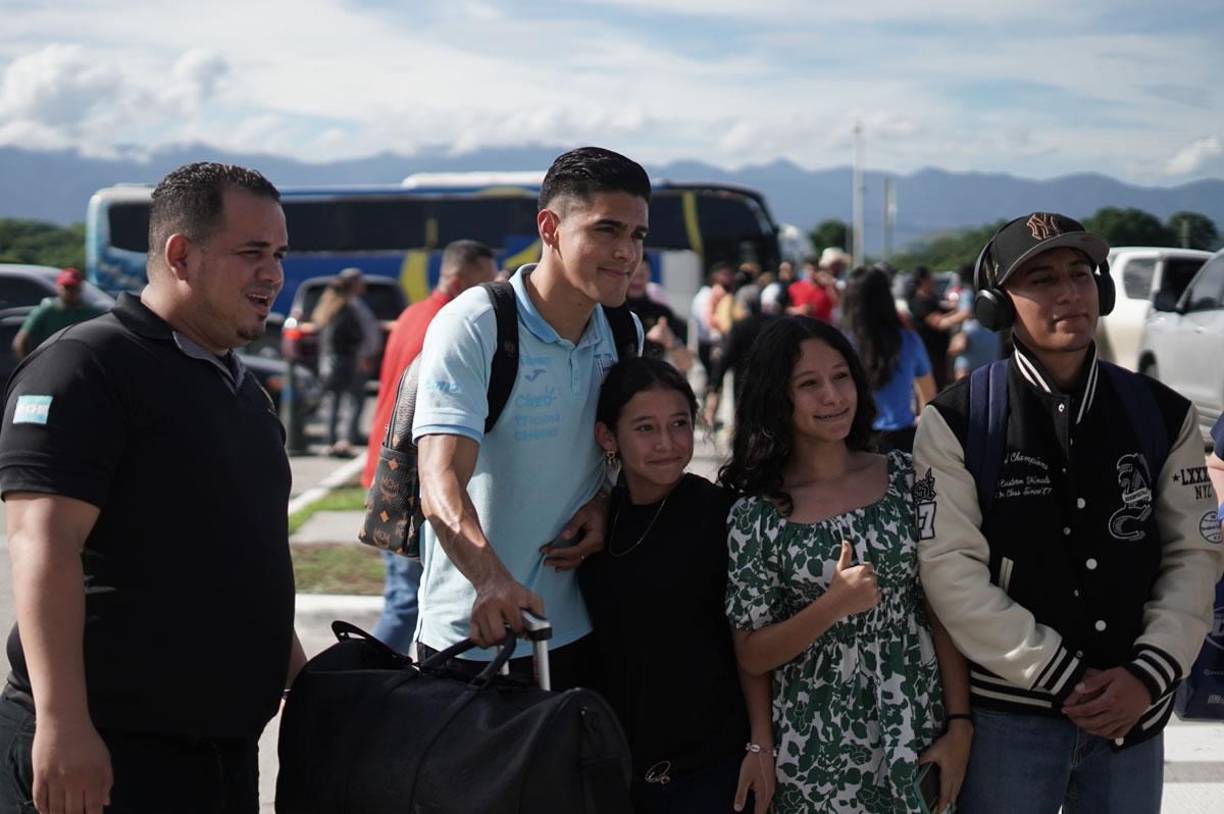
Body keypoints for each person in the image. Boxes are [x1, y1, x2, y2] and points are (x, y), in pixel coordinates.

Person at [0, 162, 306, 813]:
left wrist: (311, 690)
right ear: (180, 254)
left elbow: (246, 563)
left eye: (278, 254)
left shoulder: (244, 394)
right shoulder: (86, 367)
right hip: (106, 755)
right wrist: (62, 725)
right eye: (252, 253)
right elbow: (41, 543)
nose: (274, 274)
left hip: (219, 756)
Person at [914, 213, 1224, 813]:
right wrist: (1062, 676)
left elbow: (1195, 553)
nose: (1068, 294)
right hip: (1011, 721)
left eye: (1080, 274)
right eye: (1042, 279)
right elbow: (949, 570)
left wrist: (1148, 673)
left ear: (1102, 290)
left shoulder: (1164, 414)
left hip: (1134, 713)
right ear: (995, 306)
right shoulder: (955, 421)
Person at [411, 147, 647, 688]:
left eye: (637, 235)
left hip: (582, 630)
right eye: (607, 230)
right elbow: (438, 478)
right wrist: (491, 581)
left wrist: (607, 501)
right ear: (550, 227)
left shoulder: (624, 333)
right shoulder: (477, 324)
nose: (626, 253)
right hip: (476, 636)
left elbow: (624, 454)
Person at [721, 316, 972, 814]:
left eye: (841, 377)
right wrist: (831, 606)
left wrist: (960, 722)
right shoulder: (756, 515)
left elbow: (942, 607)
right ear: (778, 397)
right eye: (809, 385)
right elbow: (750, 653)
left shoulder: (906, 478)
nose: (833, 396)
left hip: (917, 732)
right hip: (817, 753)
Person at [579, 356, 773, 813]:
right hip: (618, 771)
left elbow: (752, 640)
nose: (667, 443)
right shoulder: (597, 522)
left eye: (679, 424)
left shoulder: (722, 516)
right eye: (645, 428)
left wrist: (760, 746)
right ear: (608, 437)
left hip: (712, 772)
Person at [361, 239, 497, 653]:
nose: (492, 292)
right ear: (458, 280)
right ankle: (356, 683)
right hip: (407, 484)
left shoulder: (411, 314)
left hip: (386, 472)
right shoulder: (448, 325)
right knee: (406, 608)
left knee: (404, 601)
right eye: (484, 282)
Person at [842, 266, 936, 453]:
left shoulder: (841, 344)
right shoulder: (909, 340)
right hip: (901, 439)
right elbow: (929, 395)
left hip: (854, 439)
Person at [312, 271, 377, 456]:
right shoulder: (348, 307)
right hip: (348, 360)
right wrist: (363, 353)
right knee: (353, 401)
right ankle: (346, 440)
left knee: (333, 401)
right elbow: (356, 335)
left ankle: (330, 440)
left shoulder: (327, 306)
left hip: (330, 360)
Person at [11, 268, 107, 360]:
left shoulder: (91, 312)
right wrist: (28, 366)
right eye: (67, 287)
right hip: (50, 360)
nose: (70, 291)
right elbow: (20, 342)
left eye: (74, 287)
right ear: (58, 287)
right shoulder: (47, 310)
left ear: (80, 289)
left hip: (79, 360)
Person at [624, 258, 692, 371]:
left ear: (649, 275)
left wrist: (671, 342)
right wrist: (647, 340)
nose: (637, 281)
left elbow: (686, 365)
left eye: (642, 275)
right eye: (633, 275)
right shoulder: (611, 309)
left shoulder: (662, 313)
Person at [907, 266, 967, 390]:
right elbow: (939, 323)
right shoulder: (918, 303)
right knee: (933, 387)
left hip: (941, 351)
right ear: (923, 281)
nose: (933, 280)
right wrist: (963, 314)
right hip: (929, 353)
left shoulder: (931, 298)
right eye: (930, 277)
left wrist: (957, 309)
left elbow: (943, 312)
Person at [787, 256, 840, 323]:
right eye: (808, 269)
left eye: (814, 270)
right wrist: (799, 310)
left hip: (823, 328)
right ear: (804, 269)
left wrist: (829, 284)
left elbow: (838, 304)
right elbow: (786, 309)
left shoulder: (827, 288)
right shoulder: (794, 287)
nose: (811, 273)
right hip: (801, 327)